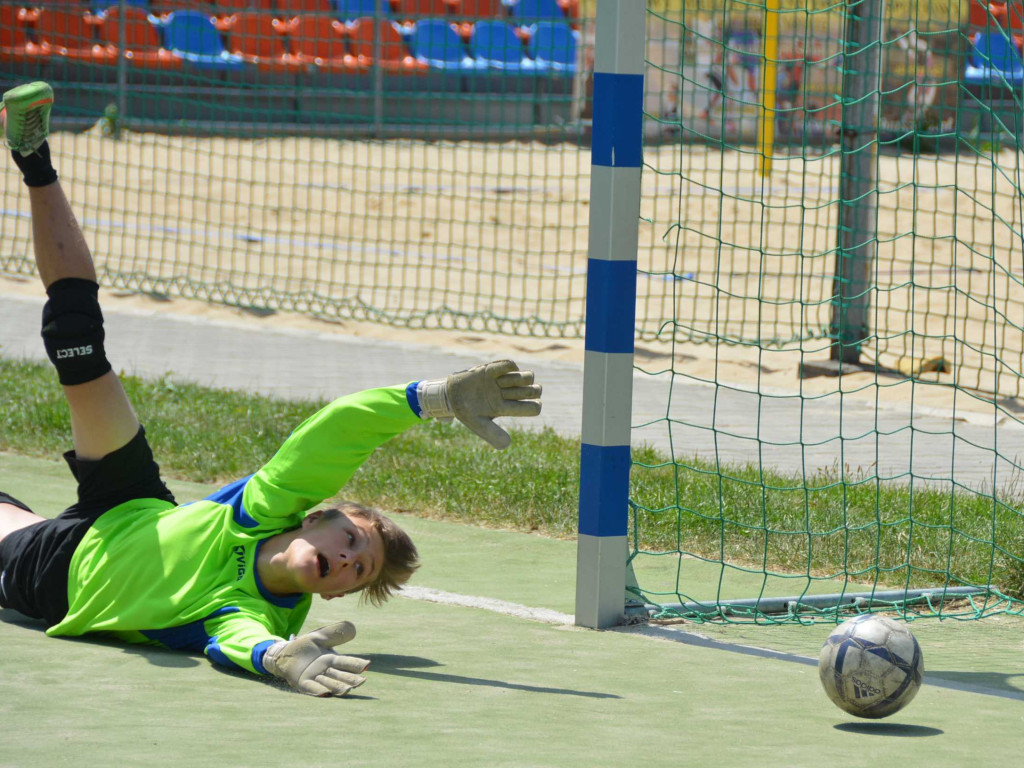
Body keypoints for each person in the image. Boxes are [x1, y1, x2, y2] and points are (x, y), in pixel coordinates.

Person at [0, 82, 543, 698]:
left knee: (15, 530)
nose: (344, 560)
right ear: (315, 518)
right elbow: (338, 434)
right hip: (133, 507)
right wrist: (432, 398)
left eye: (355, 570)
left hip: (59, 577)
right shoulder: (262, 507)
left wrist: (278, 659)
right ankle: (33, 156)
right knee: (77, 339)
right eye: (348, 541)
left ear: (336, 593)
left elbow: (242, 642)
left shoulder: (264, 614)